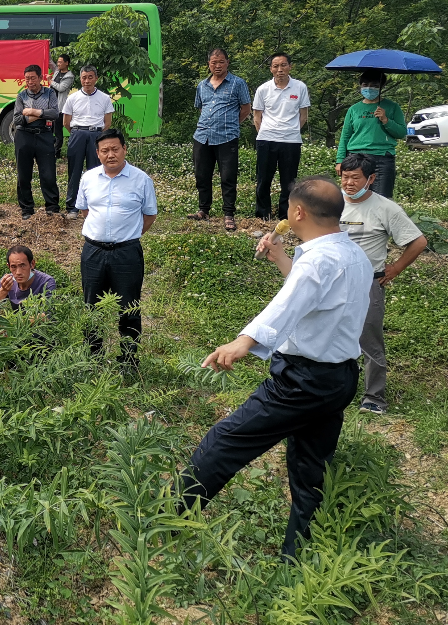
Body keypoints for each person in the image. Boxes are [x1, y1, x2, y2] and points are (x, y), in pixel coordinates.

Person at [180, 177, 372, 560]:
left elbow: (285, 308)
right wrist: (283, 258)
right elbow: (313, 297)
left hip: (301, 381)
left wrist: (244, 341)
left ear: (297, 212)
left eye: (288, 207)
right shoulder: (353, 254)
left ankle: (169, 514)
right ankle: (296, 554)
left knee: (225, 441)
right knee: (310, 468)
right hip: (340, 377)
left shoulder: (317, 260)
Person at [339, 154, 427, 415]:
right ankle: (334, 392)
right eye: (345, 177)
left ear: (371, 179)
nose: (349, 183)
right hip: (332, 281)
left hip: (368, 282)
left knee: (370, 340)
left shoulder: (385, 208)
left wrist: (395, 268)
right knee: (332, 335)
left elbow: (418, 242)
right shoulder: (332, 203)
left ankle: (374, 398)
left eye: (356, 178)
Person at [75, 128, 158, 366]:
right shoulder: (88, 178)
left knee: (129, 307)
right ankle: (94, 357)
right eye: (104, 150)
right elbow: (84, 211)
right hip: (93, 252)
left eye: (115, 149)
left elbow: (149, 216)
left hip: (127, 253)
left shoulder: (141, 179)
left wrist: (127, 236)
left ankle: (129, 360)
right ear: (98, 154)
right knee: (92, 306)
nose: (110, 154)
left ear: (124, 150)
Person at [189, 48, 252, 231]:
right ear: (208, 64)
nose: (217, 66)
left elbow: (246, 109)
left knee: (228, 176)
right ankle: (203, 210)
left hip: (227, 137)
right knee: (202, 175)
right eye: (214, 62)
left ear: (227, 62)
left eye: (221, 62)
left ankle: (228, 213)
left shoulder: (237, 83)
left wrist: (230, 123)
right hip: (202, 136)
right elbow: (201, 108)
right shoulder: (202, 85)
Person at [252, 52, 310, 221]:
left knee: (289, 181)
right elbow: (257, 117)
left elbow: (303, 115)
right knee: (263, 178)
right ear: (271, 69)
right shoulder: (263, 89)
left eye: (283, 65)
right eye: (276, 66)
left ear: (290, 67)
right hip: (266, 139)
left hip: (291, 141)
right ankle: (263, 213)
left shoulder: (300, 87)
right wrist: (266, 133)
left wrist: (291, 131)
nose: (280, 70)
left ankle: (286, 215)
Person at [334, 70, 406, 199]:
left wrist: (385, 120)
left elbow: (401, 133)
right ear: (360, 86)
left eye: (374, 85)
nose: (369, 88)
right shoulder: (354, 109)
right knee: (355, 196)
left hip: (382, 158)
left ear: (381, 87)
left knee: (382, 199)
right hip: (356, 157)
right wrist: (340, 160)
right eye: (365, 85)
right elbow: (345, 136)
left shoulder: (392, 107)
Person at [61, 65, 114, 220]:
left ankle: (94, 207)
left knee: (96, 172)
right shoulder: (72, 98)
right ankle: (72, 207)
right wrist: (77, 133)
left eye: (90, 77)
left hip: (96, 135)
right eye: (84, 77)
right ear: (80, 79)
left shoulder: (104, 98)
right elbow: (66, 122)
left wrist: (97, 136)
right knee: (74, 172)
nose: (87, 80)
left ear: (96, 79)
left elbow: (108, 123)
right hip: (77, 133)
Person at [12, 64, 61, 219]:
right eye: (27, 78)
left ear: (41, 78)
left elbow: (54, 113)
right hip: (23, 136)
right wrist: (40, 115)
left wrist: (33, 112)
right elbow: (17, 119)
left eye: (33, 78)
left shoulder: (50, 93)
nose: (30, 81)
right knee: (23, 174)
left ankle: (52, 207)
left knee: (48, 173)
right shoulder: (21, 96)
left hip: (44, 135)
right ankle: (27, 209)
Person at [0, 244, 56, 311]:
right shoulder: (8, 281)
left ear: (32, 264)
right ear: (9, 267)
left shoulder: (46, 282)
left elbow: (48, 314)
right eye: (13, 267)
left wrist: (16, 322)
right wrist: (3, 291)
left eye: (22, 265)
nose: (18, 272)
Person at [50, 54, 74, 159]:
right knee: (50, 129)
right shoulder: (57, 71)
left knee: (58, 131)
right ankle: (50, 150)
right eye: (58, 62)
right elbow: (50, 62)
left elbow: (61, 88)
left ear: (66, 63)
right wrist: (47, 47)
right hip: (50, 106)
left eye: (60, 62)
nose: (58, 64)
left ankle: (57, 153)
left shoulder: (69, 76)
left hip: (59, 107)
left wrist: (50, 81)